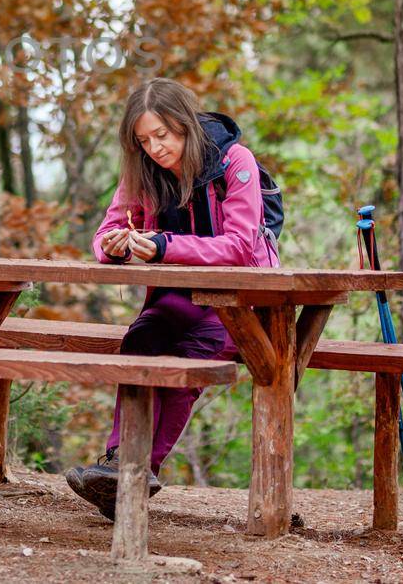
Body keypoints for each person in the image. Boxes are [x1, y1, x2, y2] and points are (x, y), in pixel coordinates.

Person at [63, 76, 279, 519]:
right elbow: (104, 234)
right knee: (142, 338)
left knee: (192, 355)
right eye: (144, 140)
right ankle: (119, 462)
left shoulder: (235, 162)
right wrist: (116, 246)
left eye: (162, 134)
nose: (155, 148)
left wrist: (164, 246)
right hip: (179, 295)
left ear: (185, 123)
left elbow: (239, 247)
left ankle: (139, 473)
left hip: (241, 300)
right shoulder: (142, 173)